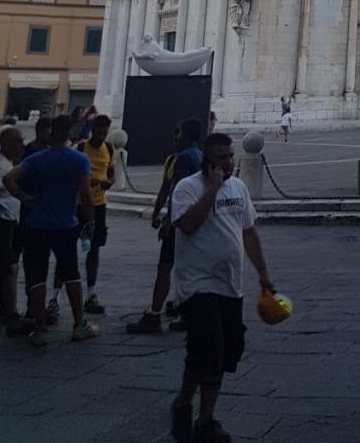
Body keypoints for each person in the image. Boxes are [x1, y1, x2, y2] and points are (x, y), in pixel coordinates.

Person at [169, 133, 275, 443]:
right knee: (210, 350)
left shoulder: (239, 187)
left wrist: (264, 276)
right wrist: (212, 191)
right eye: (220, 158)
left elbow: (249, 233)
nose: (227, 163)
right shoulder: (187, 188)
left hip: (231, 284)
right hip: (197, 284)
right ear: (206, 160)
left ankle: (183, 402)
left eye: (229, 156)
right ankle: (205, 420)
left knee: (222, 352)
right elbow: (187, 225)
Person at [3, 114, 98, 347]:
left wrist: (24, 198)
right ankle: (79, 325)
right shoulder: (79, 159)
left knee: (37, 276)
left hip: (37, 224)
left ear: (51, 132)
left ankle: (39, 329)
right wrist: (91, 220)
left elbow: (9, 178)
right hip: (66, 224)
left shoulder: (36, 159)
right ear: (70, 134)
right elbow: (85, 194)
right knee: (71, 273)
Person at [127, 119, 204, 335]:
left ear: (186, 135)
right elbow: (165, 188)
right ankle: (188, 312)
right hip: (194, 220)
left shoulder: (184, 158)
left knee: (165, 267)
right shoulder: (191, 156)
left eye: (178, 133)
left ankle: (154, 315)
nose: (174, 137)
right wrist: (156, 212)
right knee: (187, 268)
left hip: (180, 221)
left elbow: (179, 194)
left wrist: (168, 222)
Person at [75, 113, 116, 315]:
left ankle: (91, 293)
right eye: (98, 132)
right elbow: (71, 173)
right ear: (92, 130)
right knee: (67, 248)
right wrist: (84, 181)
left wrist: (109, 182)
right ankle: (55, 297)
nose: (101, 136)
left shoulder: (109, 148)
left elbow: (111, 173)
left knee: (95, 249)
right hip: (78, 205)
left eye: (104, 133)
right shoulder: (81, 148)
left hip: (99, 204)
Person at [0, 127, 32, 336]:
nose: (22, 144)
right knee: (7, 268)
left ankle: (7, 312)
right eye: (17, 141)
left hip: (8, 222)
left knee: (6, 268)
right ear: (5, 143)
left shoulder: (5, 162)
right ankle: (10, 315)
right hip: (1, 223)